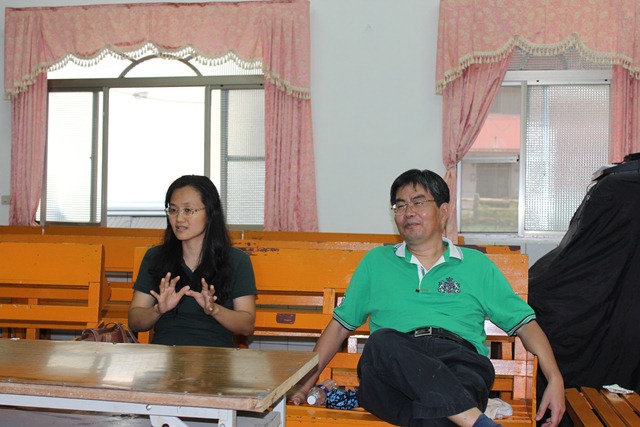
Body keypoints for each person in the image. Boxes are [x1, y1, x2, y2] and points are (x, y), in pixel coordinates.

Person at [289, 169, 565, 427]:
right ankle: (475, 421)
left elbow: (525, 324)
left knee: (437, 409)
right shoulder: (376, 263)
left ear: (443, 212)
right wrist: (303, 385)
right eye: (400, 205)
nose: (408, 212)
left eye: (418, 202)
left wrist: (555, 378)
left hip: (459, 363)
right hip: (392, 370)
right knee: (382, 341)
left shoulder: (477, 265)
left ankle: (466, 418)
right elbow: (339, 328)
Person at [128, 175, 256, 347]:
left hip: (216, 357)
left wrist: (214, 309)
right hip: (164, 356)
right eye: (173, 210)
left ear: (210, 213)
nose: (179, 218)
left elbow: (246, 326)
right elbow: (135, 322)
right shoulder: (155, 257)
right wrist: (158, 309)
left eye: (188, 210)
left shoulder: (237, 261)